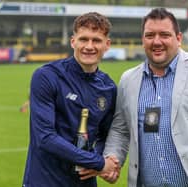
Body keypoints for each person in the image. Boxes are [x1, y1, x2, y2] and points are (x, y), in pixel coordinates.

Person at [100, 7, 188, 187]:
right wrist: (112, 159)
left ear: (179, 38)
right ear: (142, 39)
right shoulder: (128, 79)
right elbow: (121, 129)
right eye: (150, 35)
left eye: (164, 35)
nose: (157, 41)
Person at [22, 12, 119, 187]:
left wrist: (100, 161)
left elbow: (107, 136)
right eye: (83, 39)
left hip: (84, 183)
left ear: (107, 45)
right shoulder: (47, 76)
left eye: (96, 40)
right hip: (45, 181)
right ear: (73, 41)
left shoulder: (109, 87)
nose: (89, 46)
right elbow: (45, 137)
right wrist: (99, 163)